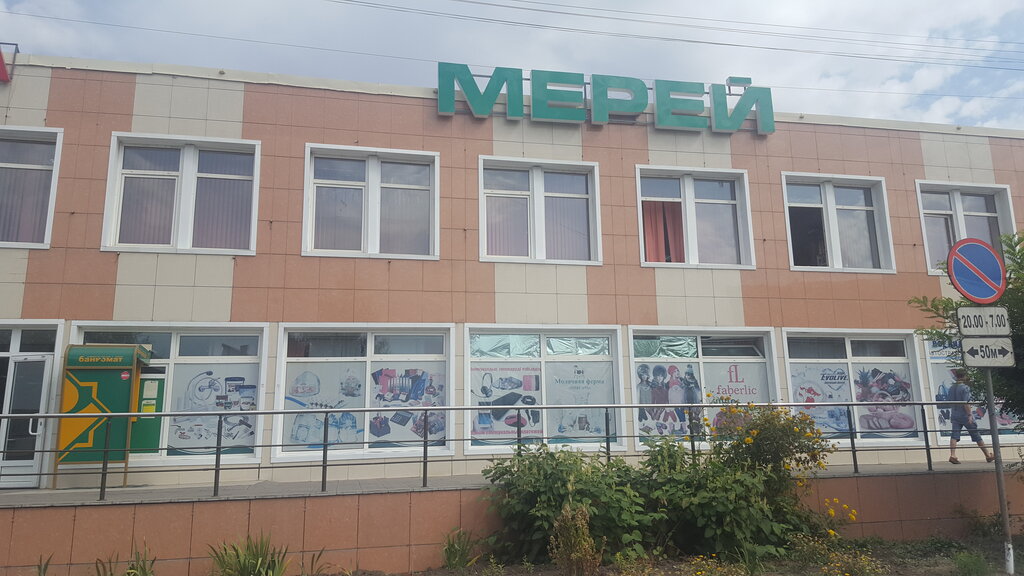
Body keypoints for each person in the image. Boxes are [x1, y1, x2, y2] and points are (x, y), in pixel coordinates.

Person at [948, 372, 995, 464]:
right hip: (965, 415)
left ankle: (952, 455)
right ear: (964, 376)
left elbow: (949, 401)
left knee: (954, 435)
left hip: (955, 414)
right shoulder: (965, 388)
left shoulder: (951, 388)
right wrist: (969, 415)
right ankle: (987, 455)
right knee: (975, 434)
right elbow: (966, 402)